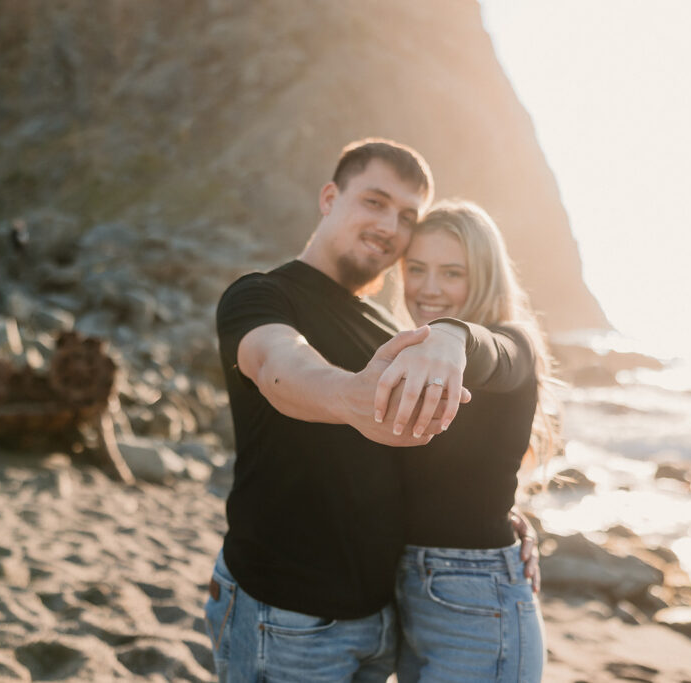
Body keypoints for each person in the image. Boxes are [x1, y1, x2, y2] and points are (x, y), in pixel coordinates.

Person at [205, 139, 536, 682]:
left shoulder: (395, 334)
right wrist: (349, 397)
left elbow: (448, 463)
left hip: (385, 623)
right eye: (375, 201)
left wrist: (504, 525)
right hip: (286, 617)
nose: (390, 225)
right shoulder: (262, 296)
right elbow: (278, 365)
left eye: (407, 216)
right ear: (331, 197)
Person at [389, 200, 555, 682]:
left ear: (482, 277)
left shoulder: (511, 342)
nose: (429, 287)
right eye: (416, 269)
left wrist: (451, 335)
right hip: (409, 595)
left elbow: (495, 354)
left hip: (479, 601)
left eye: (452, 273)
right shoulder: (411, 354)